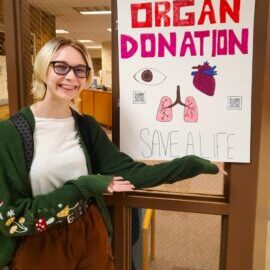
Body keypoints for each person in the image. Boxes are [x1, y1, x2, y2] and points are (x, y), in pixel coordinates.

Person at [0, 37, 226, 270]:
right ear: (43, 69)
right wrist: (83, 186)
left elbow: (129, 172)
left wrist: (188, 165)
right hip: (41, 244)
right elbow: (12, 219)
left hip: (89, 232)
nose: (71, 77)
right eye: (61, 67)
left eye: (80, 70)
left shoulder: (86, 126)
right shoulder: (9, 134)